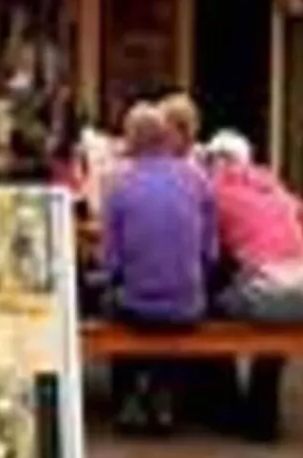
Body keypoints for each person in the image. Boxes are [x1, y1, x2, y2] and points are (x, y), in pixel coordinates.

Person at [101, 101, 217, 434]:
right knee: (173, 295)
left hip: (138, 308)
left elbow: (111, 263)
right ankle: (164, 392)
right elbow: (210, 253)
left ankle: (129, 395)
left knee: (112, 299)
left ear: (131, 142)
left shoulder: (119, 188)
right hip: (189, 308)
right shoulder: (198, 181)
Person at [205, 130, 303, 322]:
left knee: (212, 304)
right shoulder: (276, 189)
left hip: (265, 300)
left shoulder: (218, 191)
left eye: (209, 160)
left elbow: (206, 245)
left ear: (218, 160)